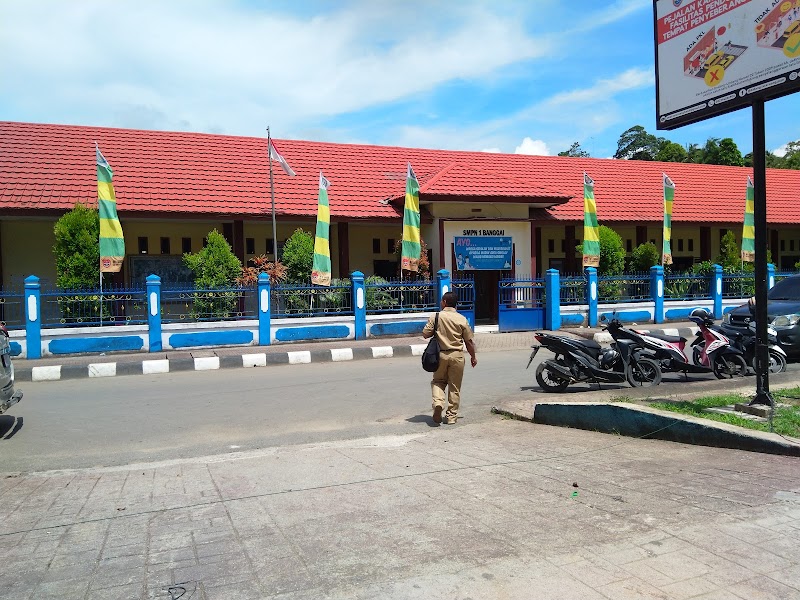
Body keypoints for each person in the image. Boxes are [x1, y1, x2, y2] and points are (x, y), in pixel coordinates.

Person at [422, 291, 477, 425]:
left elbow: (425, 334)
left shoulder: (436, 316)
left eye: (442, 301)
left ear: (445, 302)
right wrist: (473, 357)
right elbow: (469, 342)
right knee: (454, 387)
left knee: (438, 381)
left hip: (440, 355)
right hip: (457, 355)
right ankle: (451, 417)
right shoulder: (462, 319)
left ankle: (438, 404)